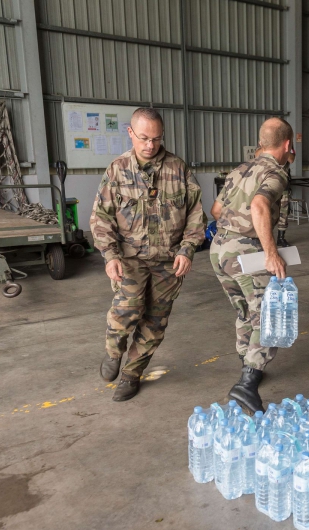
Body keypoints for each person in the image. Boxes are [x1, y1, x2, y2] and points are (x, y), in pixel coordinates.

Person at [91, 108, 204, 401]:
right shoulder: (117, 170)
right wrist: (110, 254)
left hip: (168, 261)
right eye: (143, 138)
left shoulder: (178, 169)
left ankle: (132, 374)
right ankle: (114, 351)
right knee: (127, 310)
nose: (150, 145)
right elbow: (100, 217)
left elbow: (195, 214)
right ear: (130, 133)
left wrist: (188, 248)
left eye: (156, 138)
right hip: (129, 258)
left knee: (156, 321)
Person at [210, 118, 293, 414]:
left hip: (219, 250)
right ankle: (248, 383)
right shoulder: (276, 172)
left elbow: (217, 210)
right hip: (246, 253)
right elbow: (259, 205)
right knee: (268, 315)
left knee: (245, 310)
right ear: (287, 144)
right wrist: (271, 253)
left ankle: (246, 361)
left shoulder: (239, 170)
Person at [276, 147, 296, 248]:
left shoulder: (288, 146)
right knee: (267, 212)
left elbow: (291, 159)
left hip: (284, 185)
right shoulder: (267, 142)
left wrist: (284, 148)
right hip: (269, 186)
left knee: (284, 213)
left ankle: (281, 238)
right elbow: (257, 155)